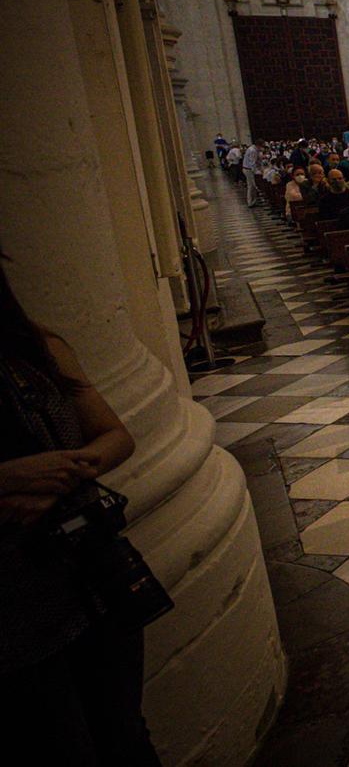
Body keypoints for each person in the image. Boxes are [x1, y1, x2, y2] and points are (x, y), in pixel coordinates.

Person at [0, 266, 163, 765]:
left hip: (91, 570)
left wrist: (65, 470)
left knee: (123, 732)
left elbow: (116, 437)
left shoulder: (36, 347)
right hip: (12, 599)